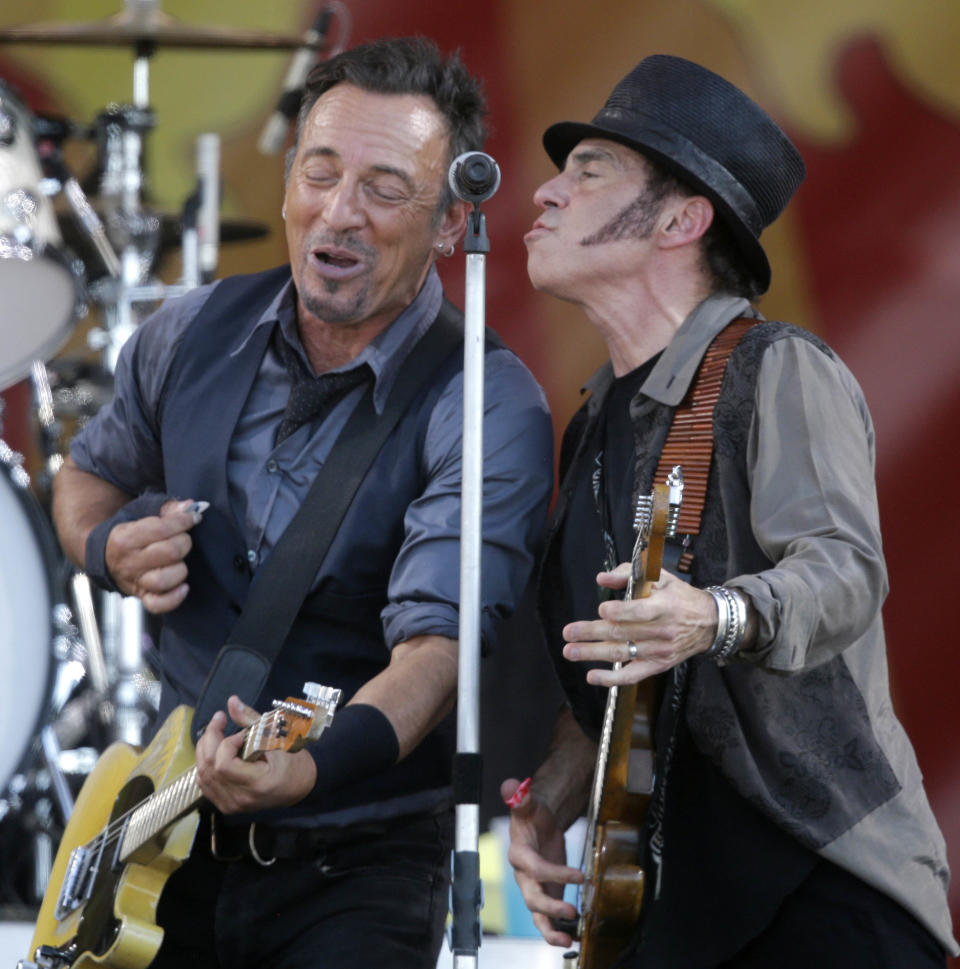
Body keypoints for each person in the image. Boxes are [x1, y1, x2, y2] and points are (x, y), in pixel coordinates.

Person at [52, 36, 553, 969]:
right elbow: (85, 475)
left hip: (355, 870)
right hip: (164, 840)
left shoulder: (486, 401)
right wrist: (105, 547)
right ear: (286, 183)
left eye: (386, 188)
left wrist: (314, 765)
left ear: (450, 224)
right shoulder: (188, 331)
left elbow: (437, 652)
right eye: (320, 174)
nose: (340, 212)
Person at [502, 54, 957, 968]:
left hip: (817, 890)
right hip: (666, 916)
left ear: (682, 217)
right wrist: (553, 797)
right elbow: (622, 666)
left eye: (588, 171)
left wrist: (714, 614)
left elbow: (844, 570)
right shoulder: (594, 424)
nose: (545, 195)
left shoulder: (775, 368)